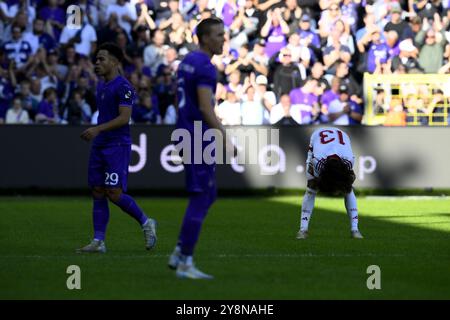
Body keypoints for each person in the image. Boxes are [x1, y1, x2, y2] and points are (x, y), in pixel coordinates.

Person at [168, 17, 236, 279]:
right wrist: (225, 137)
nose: (223, 39)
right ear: (205, 37)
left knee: (209, 193)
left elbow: (179, 98)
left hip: (187, 132)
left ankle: (179, 251)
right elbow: (206, 107)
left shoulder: (187, 61)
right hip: (198, 136)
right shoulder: (206, 67)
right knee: (201, 196)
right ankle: (185, 261)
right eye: (219, 35)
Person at [77, 42, 157, 254]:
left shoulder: (124, 87)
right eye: (96, 60)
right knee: (97, 190)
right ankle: (98, 241)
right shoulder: (101, 84)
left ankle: (146, 222)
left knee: (113, 192)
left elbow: (124, 118)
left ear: (115, 61)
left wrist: (97, 129)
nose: (97, 63)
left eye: (102, 59)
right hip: (101, 143)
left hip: (117, 144)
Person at [296, 127, 363, 240]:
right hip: (317, 137)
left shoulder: (348, 161)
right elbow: (314, 180)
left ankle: (355, 229)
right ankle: (303, 229)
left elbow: (347, 180)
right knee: (311, 188)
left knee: (348, 188)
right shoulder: (317, 162)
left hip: (341, 137)